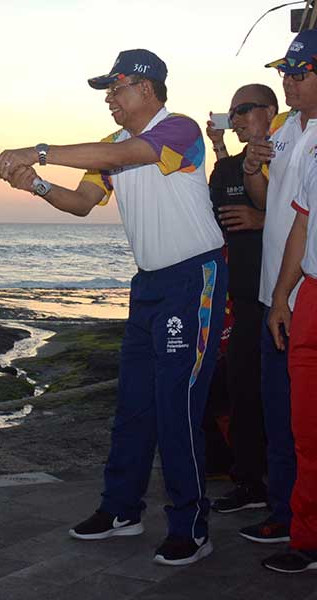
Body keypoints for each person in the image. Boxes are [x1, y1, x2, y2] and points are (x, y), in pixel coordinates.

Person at [0, 48, 227, 566]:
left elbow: (130, 156)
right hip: (148, 284)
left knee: (177, 405)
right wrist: (35, 184)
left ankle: (191, 527)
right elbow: (81, 204)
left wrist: (39, 151)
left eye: (116, 89)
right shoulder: (112, 146)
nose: (109, 100)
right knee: (133, 403)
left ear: (145, 88)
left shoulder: (180, 130)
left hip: (193, 279)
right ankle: (122, 509)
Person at [236, 30, 317, 546]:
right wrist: (250, 167)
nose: (288, 82)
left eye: (299, 73)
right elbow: (270, 201)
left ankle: (298, 521)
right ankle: (285, 513)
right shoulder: (285, 127)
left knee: (303, 420)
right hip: (276, 293)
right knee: (279, 414)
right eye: (285, 73)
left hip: (302, 291)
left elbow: (304, 220)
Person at [204, 84, 277, 513]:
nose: (236, 118)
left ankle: (278, 486)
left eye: (245, 109)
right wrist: (218, 147)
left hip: (284, 294)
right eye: (232, 112)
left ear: (270, 111)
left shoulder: (292, 157)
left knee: (280, 395)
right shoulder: (228, 169)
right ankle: (250, 483)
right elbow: (216, 206)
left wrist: (262, 218)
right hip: (244, 297)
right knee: (242, 390)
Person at [262, 125, 317, 572]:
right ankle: (308, 541)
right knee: (307, 431)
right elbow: (302, 224)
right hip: (311, 294)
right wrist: (281, 296)